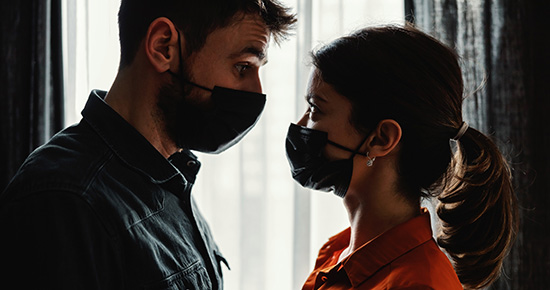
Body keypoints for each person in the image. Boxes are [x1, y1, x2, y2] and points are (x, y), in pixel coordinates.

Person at [0, 1, 295, 289]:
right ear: (163, 46)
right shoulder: (65, 202)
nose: (257, 92)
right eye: (243, 67)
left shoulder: (174, 174)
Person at [285, 24, 518, 290]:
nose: (301, 125)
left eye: (315, 110)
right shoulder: (338, 254)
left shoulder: (418, 284)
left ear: (381, 138)